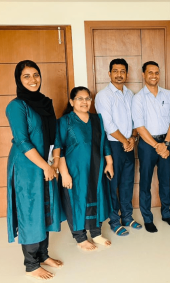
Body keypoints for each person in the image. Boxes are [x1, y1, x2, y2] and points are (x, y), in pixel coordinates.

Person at [6, 60, 64, 280]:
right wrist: (44, 166)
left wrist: (55, 161)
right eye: (26, 76)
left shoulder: (45, 103)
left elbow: (55, 134)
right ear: (19, 80)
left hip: (48, 164)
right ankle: (31, 264)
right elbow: (21, 140)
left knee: (45, 207)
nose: (33, 80)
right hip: (27, 166)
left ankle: (43, 254)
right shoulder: (16, 105)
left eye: (36, 75)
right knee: (31, 210)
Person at [55, 86, 114, 250]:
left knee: (97, 198)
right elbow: (59, 149)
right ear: (72, 101)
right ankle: (80, 237)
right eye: (80, 98)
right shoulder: (65, 121)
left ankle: (96, 233)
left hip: (96, 169)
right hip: (75, 171)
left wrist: (109, 162)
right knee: (76, 201)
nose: (84, 102)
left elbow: (104, 143)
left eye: (88, 98)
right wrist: (64, 173)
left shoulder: (97, 119)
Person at [95, 58, 141, 236]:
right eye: (115, 71)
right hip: (113, 146)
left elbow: (135, 120)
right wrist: (124, 140)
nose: (119, 74)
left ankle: (127, 217)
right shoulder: (103, 96)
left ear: (127, 74)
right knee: (112, 185)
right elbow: (107, 123)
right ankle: (114, 221)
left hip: (129, 144)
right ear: (109, 73)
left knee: (127, 183)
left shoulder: (130, 94)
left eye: (122, 71)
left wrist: (132, 139)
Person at [132, 61, 170, 233]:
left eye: (157, 72)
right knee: (145, 182)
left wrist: (165, 144)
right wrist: (157, 146)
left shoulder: (168, 94)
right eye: (150, 72)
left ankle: (166, 214)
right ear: (143, 74)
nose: (154, 75)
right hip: (147, 144)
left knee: (165, 181)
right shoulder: (138, 98)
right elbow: (139, 126)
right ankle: (148, 218)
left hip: (166, 142)